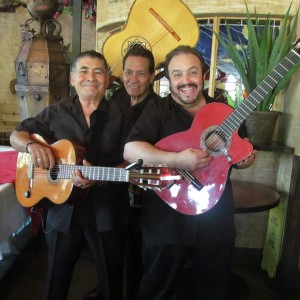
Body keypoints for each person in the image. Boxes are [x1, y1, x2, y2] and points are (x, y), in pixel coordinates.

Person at [123, 45, 257, 300]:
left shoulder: (225, 111)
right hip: (165, 219)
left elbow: (242, 156)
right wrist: (177, 159)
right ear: (169, 79)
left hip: (215, 217)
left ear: (203, 75)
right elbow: (130, 150)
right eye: (177, 74)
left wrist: (245, 160)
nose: (185, 81)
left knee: (214, 287)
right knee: (156, 288)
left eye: (192, 72)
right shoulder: (157, 110)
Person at [10, 50, 130, 300]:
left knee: (112, 280)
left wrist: (99, 178)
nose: (91, 77)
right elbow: (17, 135)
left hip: (105, 208)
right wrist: (33, 146)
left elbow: (130, 161)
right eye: (83, 71)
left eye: (98, 72)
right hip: (63, 209)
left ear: (107, 81)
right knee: (56, 278)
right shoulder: (55, 112)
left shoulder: (122, 114)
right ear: (73, 78)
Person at [84, 44, 162, 300]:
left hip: (145, 194)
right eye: (128, 72)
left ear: (152, 76)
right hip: (112, 192)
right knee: (112, 250)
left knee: (139, 252)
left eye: (141, 74)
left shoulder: (160, 108)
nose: (133, 79)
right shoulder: (113, 99)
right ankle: (109, 290)